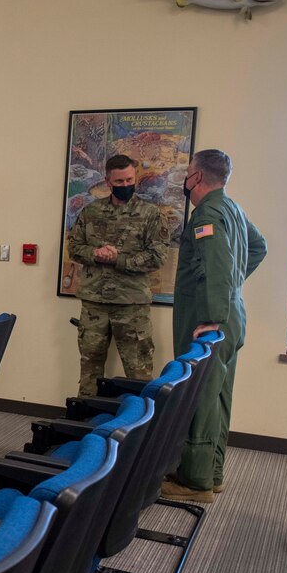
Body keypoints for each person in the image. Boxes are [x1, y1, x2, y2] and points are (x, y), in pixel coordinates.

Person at [163, 149, 266, 503]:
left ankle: (195, 481)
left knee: (202, 396)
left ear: (197, 176)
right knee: (220, 396)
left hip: (209, 321)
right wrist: (233, 288)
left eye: (188, 173)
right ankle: (213, 472)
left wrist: (211, 316)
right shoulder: (233, 208)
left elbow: (219, 267)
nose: (185, 180)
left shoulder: (207, 213)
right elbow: (258, 247)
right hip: (230, 315)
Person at [66, 154, 170, 396]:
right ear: (108, 181)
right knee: (89, 370)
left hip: (131, 304)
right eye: (119, 182)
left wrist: (118, 259)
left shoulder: (151, 214)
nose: (125, 186)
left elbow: (157, 257)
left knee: (138, 373)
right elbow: (74, 248)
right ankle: (86, 423)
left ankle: (140, 428)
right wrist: (96, 253)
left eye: (129, 180)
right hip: (95, 303)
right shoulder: (91, 212)